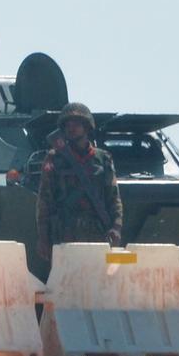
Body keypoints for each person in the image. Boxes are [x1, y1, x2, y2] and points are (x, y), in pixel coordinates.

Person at [35, 102, 123, 261]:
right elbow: (44, 201)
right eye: (68, 124)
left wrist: (116, 227)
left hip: (97, 231)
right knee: (65, 280)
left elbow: (113, 197)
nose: (71, 128)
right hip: (65, 231)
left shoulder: (102, 158)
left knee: (99, 278)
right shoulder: (55, 158)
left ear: (87, 127)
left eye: (76, 124)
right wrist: (43, 237)